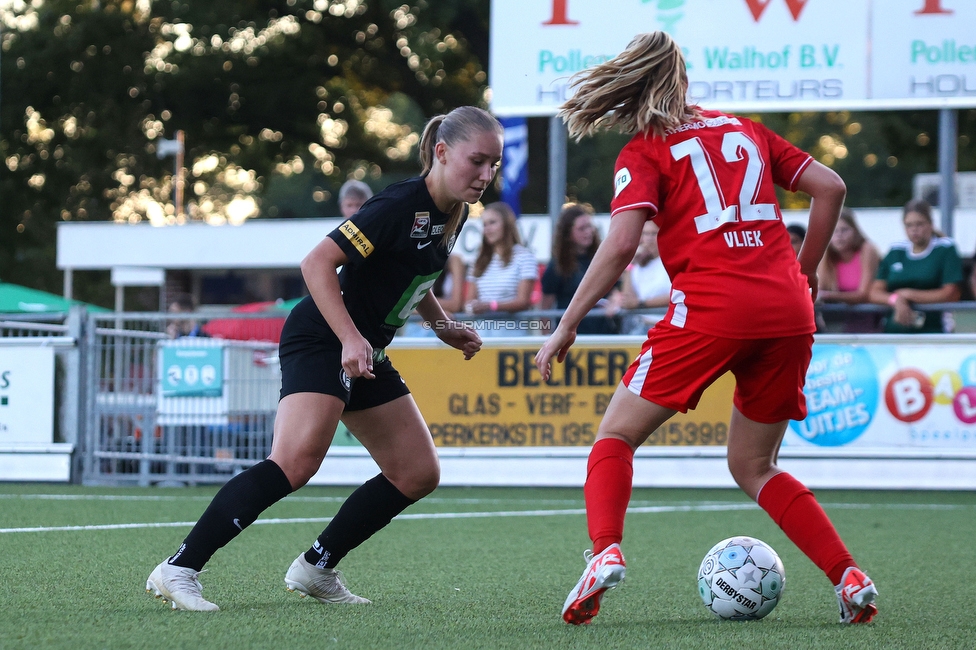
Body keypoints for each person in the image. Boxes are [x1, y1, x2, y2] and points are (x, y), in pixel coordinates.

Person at [535, 32, 877, 627]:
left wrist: (566, 324)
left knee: (614, 438)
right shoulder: (745, 129)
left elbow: (619, 246)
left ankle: (605, 551)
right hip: (788, 311)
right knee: (755, 466)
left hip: (713, 310)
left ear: (631, 89)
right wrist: (808, 272)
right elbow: (831, 187)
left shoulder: (644, 152)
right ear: (683, 81)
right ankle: (849, 577)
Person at [146, 106, 501, 611]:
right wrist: (351, 339)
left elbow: (414, 278)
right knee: (294, 462)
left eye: (494, 164)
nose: (486, 175)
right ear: (441, 153)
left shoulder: (455, 211)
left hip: (363, 348)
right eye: (477, 161)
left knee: (417, 471)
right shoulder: (398, 204)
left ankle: (316, 566)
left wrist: (445, 328)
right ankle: (179, 568)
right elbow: (316, 263)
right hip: (322, 336)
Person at [868, 199, 962, 333]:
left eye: (919, 224)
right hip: (894, 332)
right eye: (909, 225)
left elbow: (951, 293)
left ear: (930, 224)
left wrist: (910, 295)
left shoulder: (945, 249)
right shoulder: (896, 251)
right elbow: (874, 292)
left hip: (934, 331)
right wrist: (895, 300)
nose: (914, 230)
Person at [541, 204, 619, 334]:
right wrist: (546, 338)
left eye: (590, 226)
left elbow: (616, 290)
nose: (588, 232)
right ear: (567, 233)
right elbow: (545, 308)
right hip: (573, 337)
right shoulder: (557, 266)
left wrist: (615, 300)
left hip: (606, 336)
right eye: (582, 228)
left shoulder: (604, 258)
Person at [465, 202, 538, 336]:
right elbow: (469, 301)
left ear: (507, 224)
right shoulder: (478, 260)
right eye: (484, 224)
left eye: (492, 222)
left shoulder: (524, 257)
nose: (487, 229)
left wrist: (491, 306)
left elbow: (523, 301)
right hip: (481, 333)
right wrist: (472, 307)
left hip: (512, 334)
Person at [817, 209, 882, 332]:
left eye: (844, 230)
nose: (839, 236)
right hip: (842, 319)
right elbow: (820, 289)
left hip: (871, 317)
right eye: (834, 231)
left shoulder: (867, 249)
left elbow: (863, 294)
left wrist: (827, 295)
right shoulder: (828, 255)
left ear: (855, 231)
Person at [611, 219, 671, 335]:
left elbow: (674, 295)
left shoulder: (669, 261)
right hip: (641, 326)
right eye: (645, 234)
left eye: (653, 233)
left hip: (664, 325)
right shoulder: (638, 265)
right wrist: (631, 264)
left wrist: (640, 304)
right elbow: (628, 301)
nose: (648, 238)